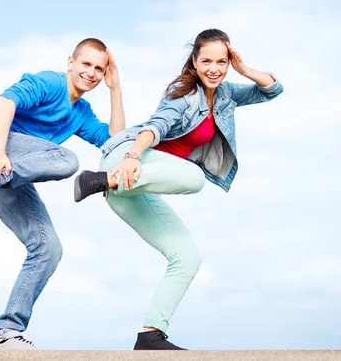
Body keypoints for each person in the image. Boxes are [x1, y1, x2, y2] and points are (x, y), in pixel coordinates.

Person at [74, 29, 284, 350]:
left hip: (134, 181)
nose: (214, 68)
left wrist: (243, 69)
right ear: (195, 62)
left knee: (187, 256)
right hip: (127, 160)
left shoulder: (225, 94)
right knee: (195, 178)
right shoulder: (183, 94)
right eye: (207, 61)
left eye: (222, 62)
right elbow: (155, 126)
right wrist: (130, 158)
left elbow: (271, 90)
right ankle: (103, 179)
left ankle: (150, 335)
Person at [0, 38, 125, 349]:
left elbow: (114, 141)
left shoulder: (80, 112)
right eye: (86, 64)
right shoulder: (51, 82)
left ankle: (5, 333)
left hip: (0, 173)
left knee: (47, 247)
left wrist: (115, 89)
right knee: (67, 160)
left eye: (100, 68)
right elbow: (5, 101)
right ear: (71, 62)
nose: (92, 73)